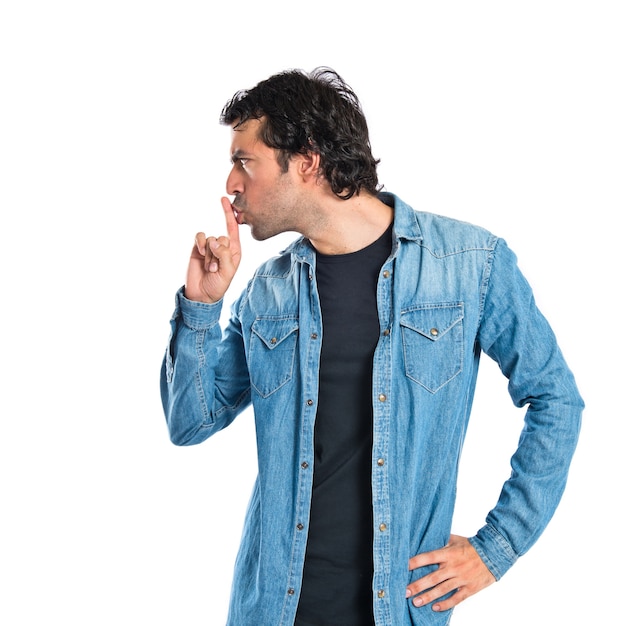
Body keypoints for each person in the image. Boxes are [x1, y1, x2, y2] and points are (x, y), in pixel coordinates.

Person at [160, 67, 583, 626]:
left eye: (245, 160)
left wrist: (495, 550)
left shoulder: (467, 266)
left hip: (399, 612)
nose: (231, 184)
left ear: (306, 160)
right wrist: (202, 306)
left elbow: (555, 398)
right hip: (271, 612)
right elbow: (190, 421)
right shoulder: (269, 289)